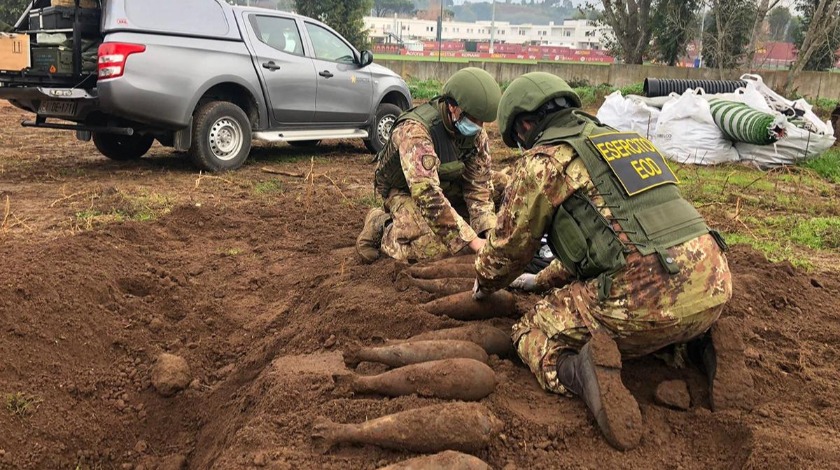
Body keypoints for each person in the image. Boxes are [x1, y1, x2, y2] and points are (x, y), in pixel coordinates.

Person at [472, 72, 747, 450]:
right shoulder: (629, 143)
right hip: (714, 282)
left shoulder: (544, 161)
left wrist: (484, 281)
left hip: (642, 298)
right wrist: (543, 279)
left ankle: (578, 372)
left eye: (519, 137)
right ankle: (702, 343)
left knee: (530, 332)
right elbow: (618, 235)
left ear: (525, 124)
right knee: (665, 312)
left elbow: (508, 248)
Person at [356, 67, 503, 263]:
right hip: (405, 190)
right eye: (473, 119)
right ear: (453, 107)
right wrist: (473, 242)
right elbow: (427, 195)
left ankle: (458, 221)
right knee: (432, 250)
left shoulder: (475, 134)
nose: (478, 127)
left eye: (482, 121)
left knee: (508, 185)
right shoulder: (415, 132)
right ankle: (383, 225)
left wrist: (488, 230)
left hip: (445, 182)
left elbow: (479, 186)